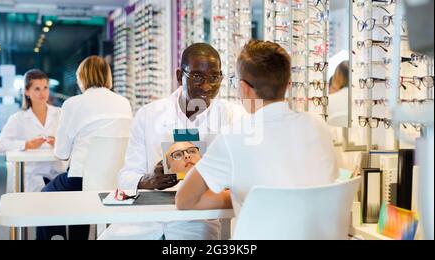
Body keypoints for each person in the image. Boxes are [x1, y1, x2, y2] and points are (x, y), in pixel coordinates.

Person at [98, 43, 245, 240]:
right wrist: (150, 180)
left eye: (214, 77)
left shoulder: (233, 117)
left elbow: (241, 179)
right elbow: (126, 176)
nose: (207, 86)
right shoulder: (149, 115)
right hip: (145, 219)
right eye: (197, 76)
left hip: (196, 220)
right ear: (179, 76)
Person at [176, 40, 338, 216]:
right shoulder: (318, 126)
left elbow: (185, 200)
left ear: (245, 88)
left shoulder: (233, 137)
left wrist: (243, 196)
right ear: (288, 84)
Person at [36, 56, 133, 240]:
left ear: (82, 78)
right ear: (108, 76)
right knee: (80, 197)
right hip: (116, 183)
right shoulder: (124, 103)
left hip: (80, 181)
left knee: (45, 197)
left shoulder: (73, 104)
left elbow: (61, 153)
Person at [0, 69, 64, 192]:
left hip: (56, 175)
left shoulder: (59, 113)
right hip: (32, 177)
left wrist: (58, 142)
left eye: (45, 88)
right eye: (37, 89)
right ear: (27, 91)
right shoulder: (18, 118)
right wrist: (26, 144)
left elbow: (71, 142)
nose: (42, 93)